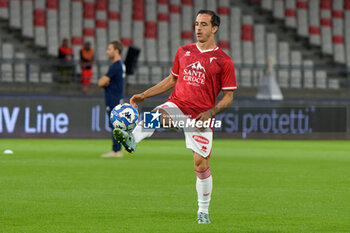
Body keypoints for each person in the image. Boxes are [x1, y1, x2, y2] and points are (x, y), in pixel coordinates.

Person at [114, 10, 237, 223]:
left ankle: (203, 211)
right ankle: (133, 138)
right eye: (196, 23)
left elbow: (228, 97)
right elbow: (172, 80)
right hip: (177, 105)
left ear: (214, 28)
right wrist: (144, 95)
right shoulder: (184, 51)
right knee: (156, 115)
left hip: (201, 116)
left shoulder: (223, 61)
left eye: (204, 24)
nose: (198, 28)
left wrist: (211, 112)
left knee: (200, 165)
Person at [98, 40, 126, 158]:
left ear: (116, 51)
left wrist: (105, 82)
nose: (107, 52)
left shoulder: (115, 66)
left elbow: (101, 82)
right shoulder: (121, 64)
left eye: (109, 49)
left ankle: (116, 150)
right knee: (116, 124)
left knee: (115, 124)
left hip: (114, 98)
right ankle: (116, 149)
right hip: (117, 97)